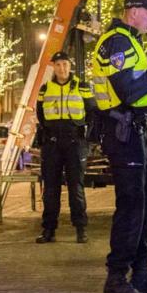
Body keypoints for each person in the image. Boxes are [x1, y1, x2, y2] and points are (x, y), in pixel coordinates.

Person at [91, 0, 147, 293]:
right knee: (131, 206)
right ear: (133, 11)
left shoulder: (131, 41)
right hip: (122, 132)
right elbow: (129, 91)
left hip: (135, 132)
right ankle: (116, 279)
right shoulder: (117, 42)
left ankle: (140, 273)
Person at [34, 51, 95, 244]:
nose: (62, 68)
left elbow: (92, 111)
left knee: (76, 187)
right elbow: (40, 115)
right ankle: (49, 230)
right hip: (52, 143)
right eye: (58, 65)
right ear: (54, 67)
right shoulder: (45, 89)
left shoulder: (82, 86)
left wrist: (87, 137)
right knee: (50, 189)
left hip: (74, 142)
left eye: (65, 64)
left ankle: (81, 229)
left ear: (71, 66)